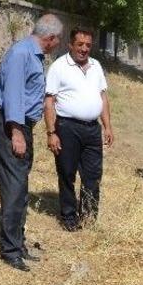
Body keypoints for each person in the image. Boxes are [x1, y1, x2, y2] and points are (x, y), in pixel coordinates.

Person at [0, 14, 64, 272]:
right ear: (51, 38)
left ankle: (17, 243)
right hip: (13, 126)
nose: (58, 44)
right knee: (14, 187)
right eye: (58, 39)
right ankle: (10, 250)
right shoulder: (22, 53)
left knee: (20, 186)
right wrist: (17, 132)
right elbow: (12, 94)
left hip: (23, 125)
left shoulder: (33, 55)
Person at [44, 28, 113, 231]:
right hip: (67, 128)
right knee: (67, 173)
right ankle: (69, 216)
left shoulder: (96, 66)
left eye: (88, 45)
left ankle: (88, 217)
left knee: (93, 175)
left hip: (92, 129)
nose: (84, 49)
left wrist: (107, 126)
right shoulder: (59, 67)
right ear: (71, 45)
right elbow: (49, 102)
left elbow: (103, 97)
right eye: (80, 44)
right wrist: (51, 133)